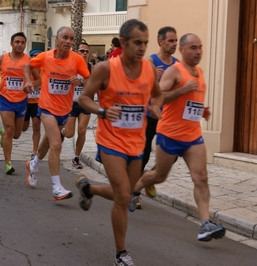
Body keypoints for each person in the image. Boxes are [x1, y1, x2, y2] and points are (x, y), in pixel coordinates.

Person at [75, 19, 163, 265]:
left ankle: (88, 189)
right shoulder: (106, 68)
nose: (142, 48)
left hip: (137, 142)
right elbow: (84, 99)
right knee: (124, 196)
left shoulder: (147, 69)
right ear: (123, 42)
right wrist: (102, 111)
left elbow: (157, 94)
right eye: (137, 43)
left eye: (145, 43)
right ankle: (121, 254)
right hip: (110, 140)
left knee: (122, 193)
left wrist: (155, 107)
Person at [131, 33, 226, 242]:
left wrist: (201, 110)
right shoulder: (174, 71)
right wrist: (183, 89)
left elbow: (190, 102)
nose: (198, 51)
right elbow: (158, 98)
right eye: (193, 47)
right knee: (159, 176)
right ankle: (135, 189)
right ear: (182, 50)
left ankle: (205, 223)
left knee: (201, 177)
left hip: (193, 136)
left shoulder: (199, 72)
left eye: (200, 47)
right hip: (170, 135)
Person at [23, 26, 90, 201]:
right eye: (65, 38)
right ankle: (56, 187)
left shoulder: (77, 60)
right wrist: (29, 80)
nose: (68, 42)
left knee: (48, 142)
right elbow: (28, 65)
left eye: (71, 39)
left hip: (64, 110)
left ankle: (33, 163)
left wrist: (81, 81)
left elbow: (90, 81)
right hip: (46, 107)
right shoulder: (46, 57)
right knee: (56, 145)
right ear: (57, 40)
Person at [138, 26, 179, 206]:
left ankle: (149, 178)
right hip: (148, 116)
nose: (174, 44)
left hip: (168, 118)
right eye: (170, 41)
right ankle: (135, 193)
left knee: (174, 153)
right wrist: (153, 78)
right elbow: (138, 88)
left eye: (176, 41)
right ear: (160, 41)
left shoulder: (178, 65)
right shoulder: (150, 61)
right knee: (143, 154)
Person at [0, 32, 41, 174]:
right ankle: (8, 163)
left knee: (17, 134)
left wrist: (31, 84)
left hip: (22, 100)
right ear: (11, 43)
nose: (19, 44)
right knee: (10, 129)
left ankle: (4, 135)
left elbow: (39, 80)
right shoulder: (1, 59)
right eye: (17, 42)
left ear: (25, 45)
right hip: (5, 99)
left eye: (22, 42)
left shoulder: (30, 61)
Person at [61, 41, 93, 169]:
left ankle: (76, 157)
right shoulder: (70, 66)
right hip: (71, 103)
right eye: (82, 51)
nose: (84, 53)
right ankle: (62, 132)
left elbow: (93, 85)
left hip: (85, 103)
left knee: (82, 130)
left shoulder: (91, 68)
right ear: (76, 52)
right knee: (70, 134)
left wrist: (81, 82)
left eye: (86, 51)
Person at [22, 49, 43, 159]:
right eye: (34, 56)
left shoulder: (44, 70)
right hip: (25, 102)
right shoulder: (27, 71)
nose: (37, 58)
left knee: (36, 126)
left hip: (37, 103)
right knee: (23, 128)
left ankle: (35, 150)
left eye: (39, 56)